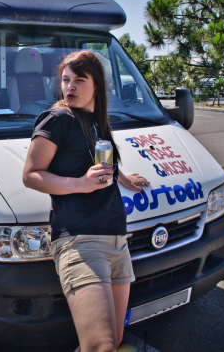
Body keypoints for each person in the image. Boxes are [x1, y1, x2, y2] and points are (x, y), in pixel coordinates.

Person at [22, 50, 150, 352]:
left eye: (79, 81)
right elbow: (30, 175)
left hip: (117, 241)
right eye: (66, 80)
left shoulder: (96, 121)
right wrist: (80, 184)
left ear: (97, 86)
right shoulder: (58, 118)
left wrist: (122, 175)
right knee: (101, 345)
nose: (70, 88)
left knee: (115, 342)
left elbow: (98, 161)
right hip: (80, 241)